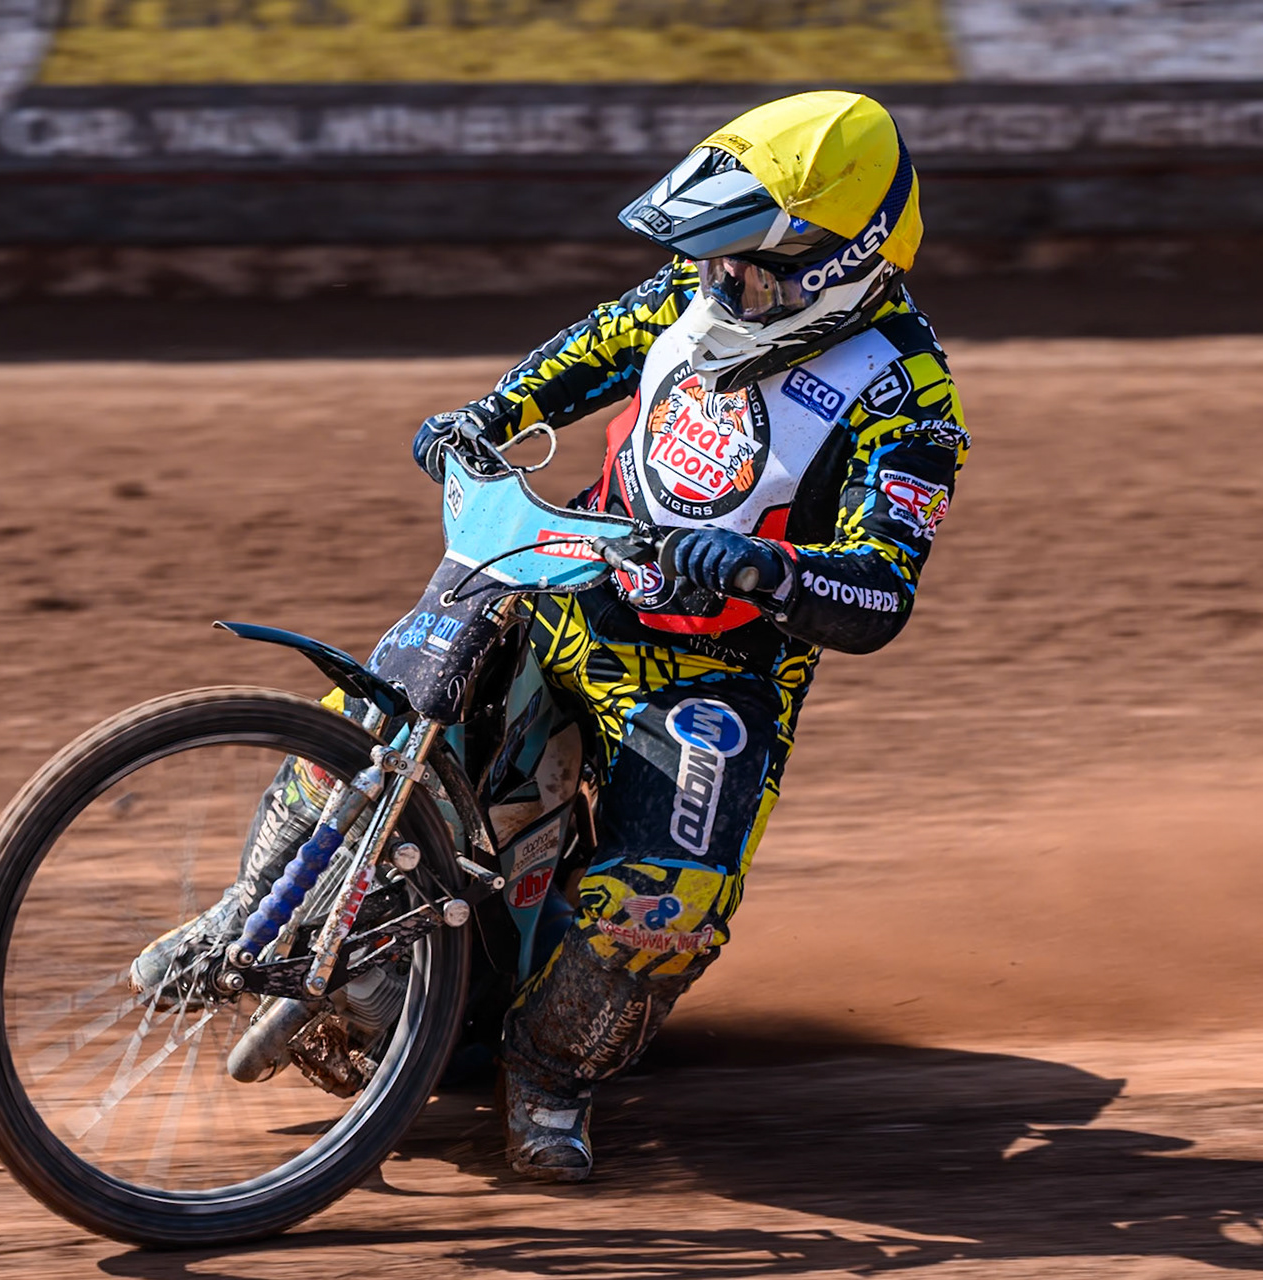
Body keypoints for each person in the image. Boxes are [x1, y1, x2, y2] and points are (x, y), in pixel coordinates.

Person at [409, 90, 971, 1181]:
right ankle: (262, 901)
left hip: (711, 669)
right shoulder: (695, 290)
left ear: (833, 261)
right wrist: (486, 413)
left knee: (671, 892)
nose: (719, 284)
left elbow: (881, 591)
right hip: (573, 573)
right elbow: (588, 351)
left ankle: (549, 1075)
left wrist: (772, 568)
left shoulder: (910, 396)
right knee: (389, 697)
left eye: (745, 269)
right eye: (714, 263)